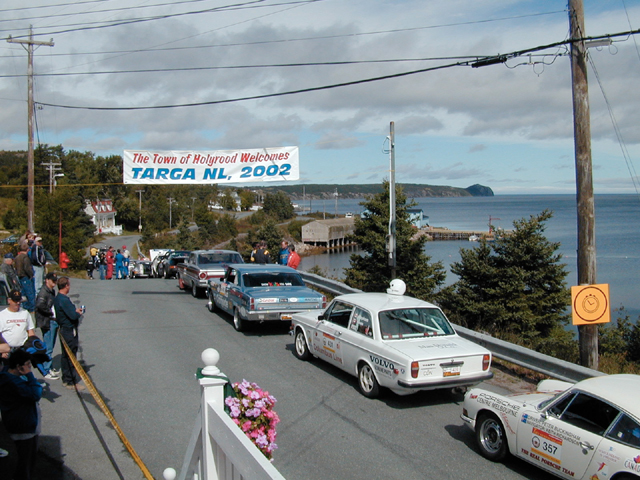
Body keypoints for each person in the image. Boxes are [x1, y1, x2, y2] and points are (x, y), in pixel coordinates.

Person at [0, 349, 43, 480]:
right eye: (28, 365)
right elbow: (35, 394)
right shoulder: (14, 383)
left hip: (21, 424)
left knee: (26, 461)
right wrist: (30, 376)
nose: (30, 368)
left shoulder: (6, 375)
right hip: (24, 426)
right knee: (27, 462)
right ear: (19, 367)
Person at [53, 277, 85, 391]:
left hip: (63, 329)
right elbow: (72, 316)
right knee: (71, 356)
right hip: (68, 330)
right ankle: (71, 381)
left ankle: (66, 378)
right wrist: (78, 313)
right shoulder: (64, 300)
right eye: (69, 285)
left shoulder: (58, 298)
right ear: (66, 286)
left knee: (65, 355)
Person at [35, 272, 59, 380]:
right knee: (48, 346)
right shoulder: (43, 292)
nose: (54, 284)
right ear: (47, 280)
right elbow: (40, 305)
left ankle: (49, 366)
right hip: (46, 321)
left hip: (52, 321)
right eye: (52, 281)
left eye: (55, 281)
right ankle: (46, 369)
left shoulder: (51, 291)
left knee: (51, 345)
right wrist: (50, 313)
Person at [15, 243, 35, 313]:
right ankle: (32, 308)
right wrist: (31, 274)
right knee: (30, 293)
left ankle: (25, 306)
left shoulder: (17, 257)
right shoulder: (25, 257)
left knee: (23, 293)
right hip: (25, 276)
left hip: (19, 276)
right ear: (27, 249)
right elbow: (27, 268)